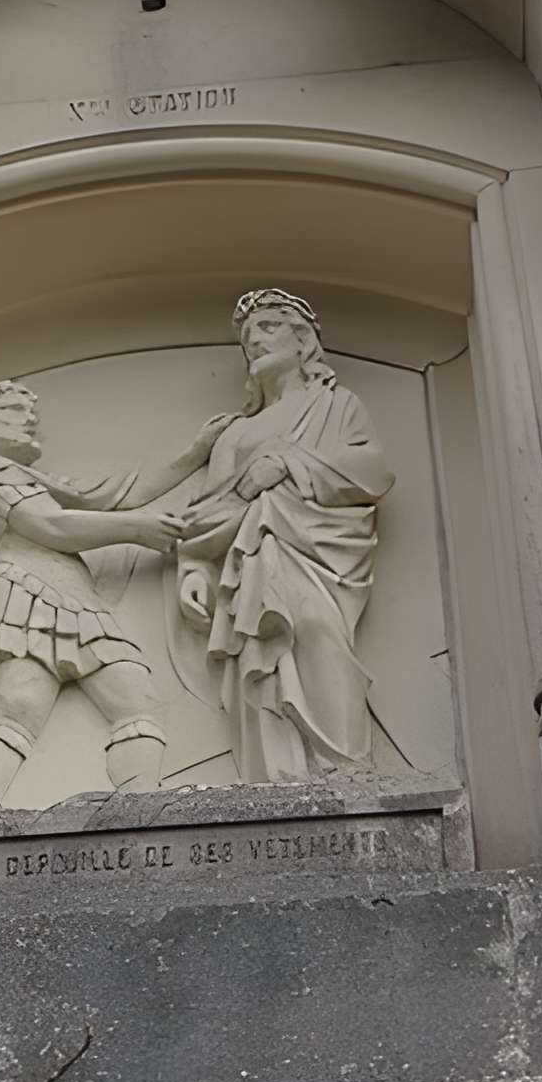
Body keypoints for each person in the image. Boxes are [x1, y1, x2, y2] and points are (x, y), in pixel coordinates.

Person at [0, 380, 225, 813]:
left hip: (73, 596)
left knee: (137, 699)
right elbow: (49, 526)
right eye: (14, 411)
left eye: (29, 412)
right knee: (18, 706)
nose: (29, 420)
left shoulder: (34, 480)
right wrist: (135, 529)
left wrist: (195, 452)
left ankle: (139, 808)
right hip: (23, 589)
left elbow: (115, 496)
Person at [176, 289, 392, 781]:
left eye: (268, 327)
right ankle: (277, 779)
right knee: (259, 654)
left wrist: (287, 463)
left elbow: (371, 472)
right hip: (252, 556)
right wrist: (194, 568)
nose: (255, 340)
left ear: (303, 341)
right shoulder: (234, 434)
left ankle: (348, 772)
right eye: (248, 338)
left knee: (315, 628)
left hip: (320, 551)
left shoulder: (336, 405)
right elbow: (209, 510)